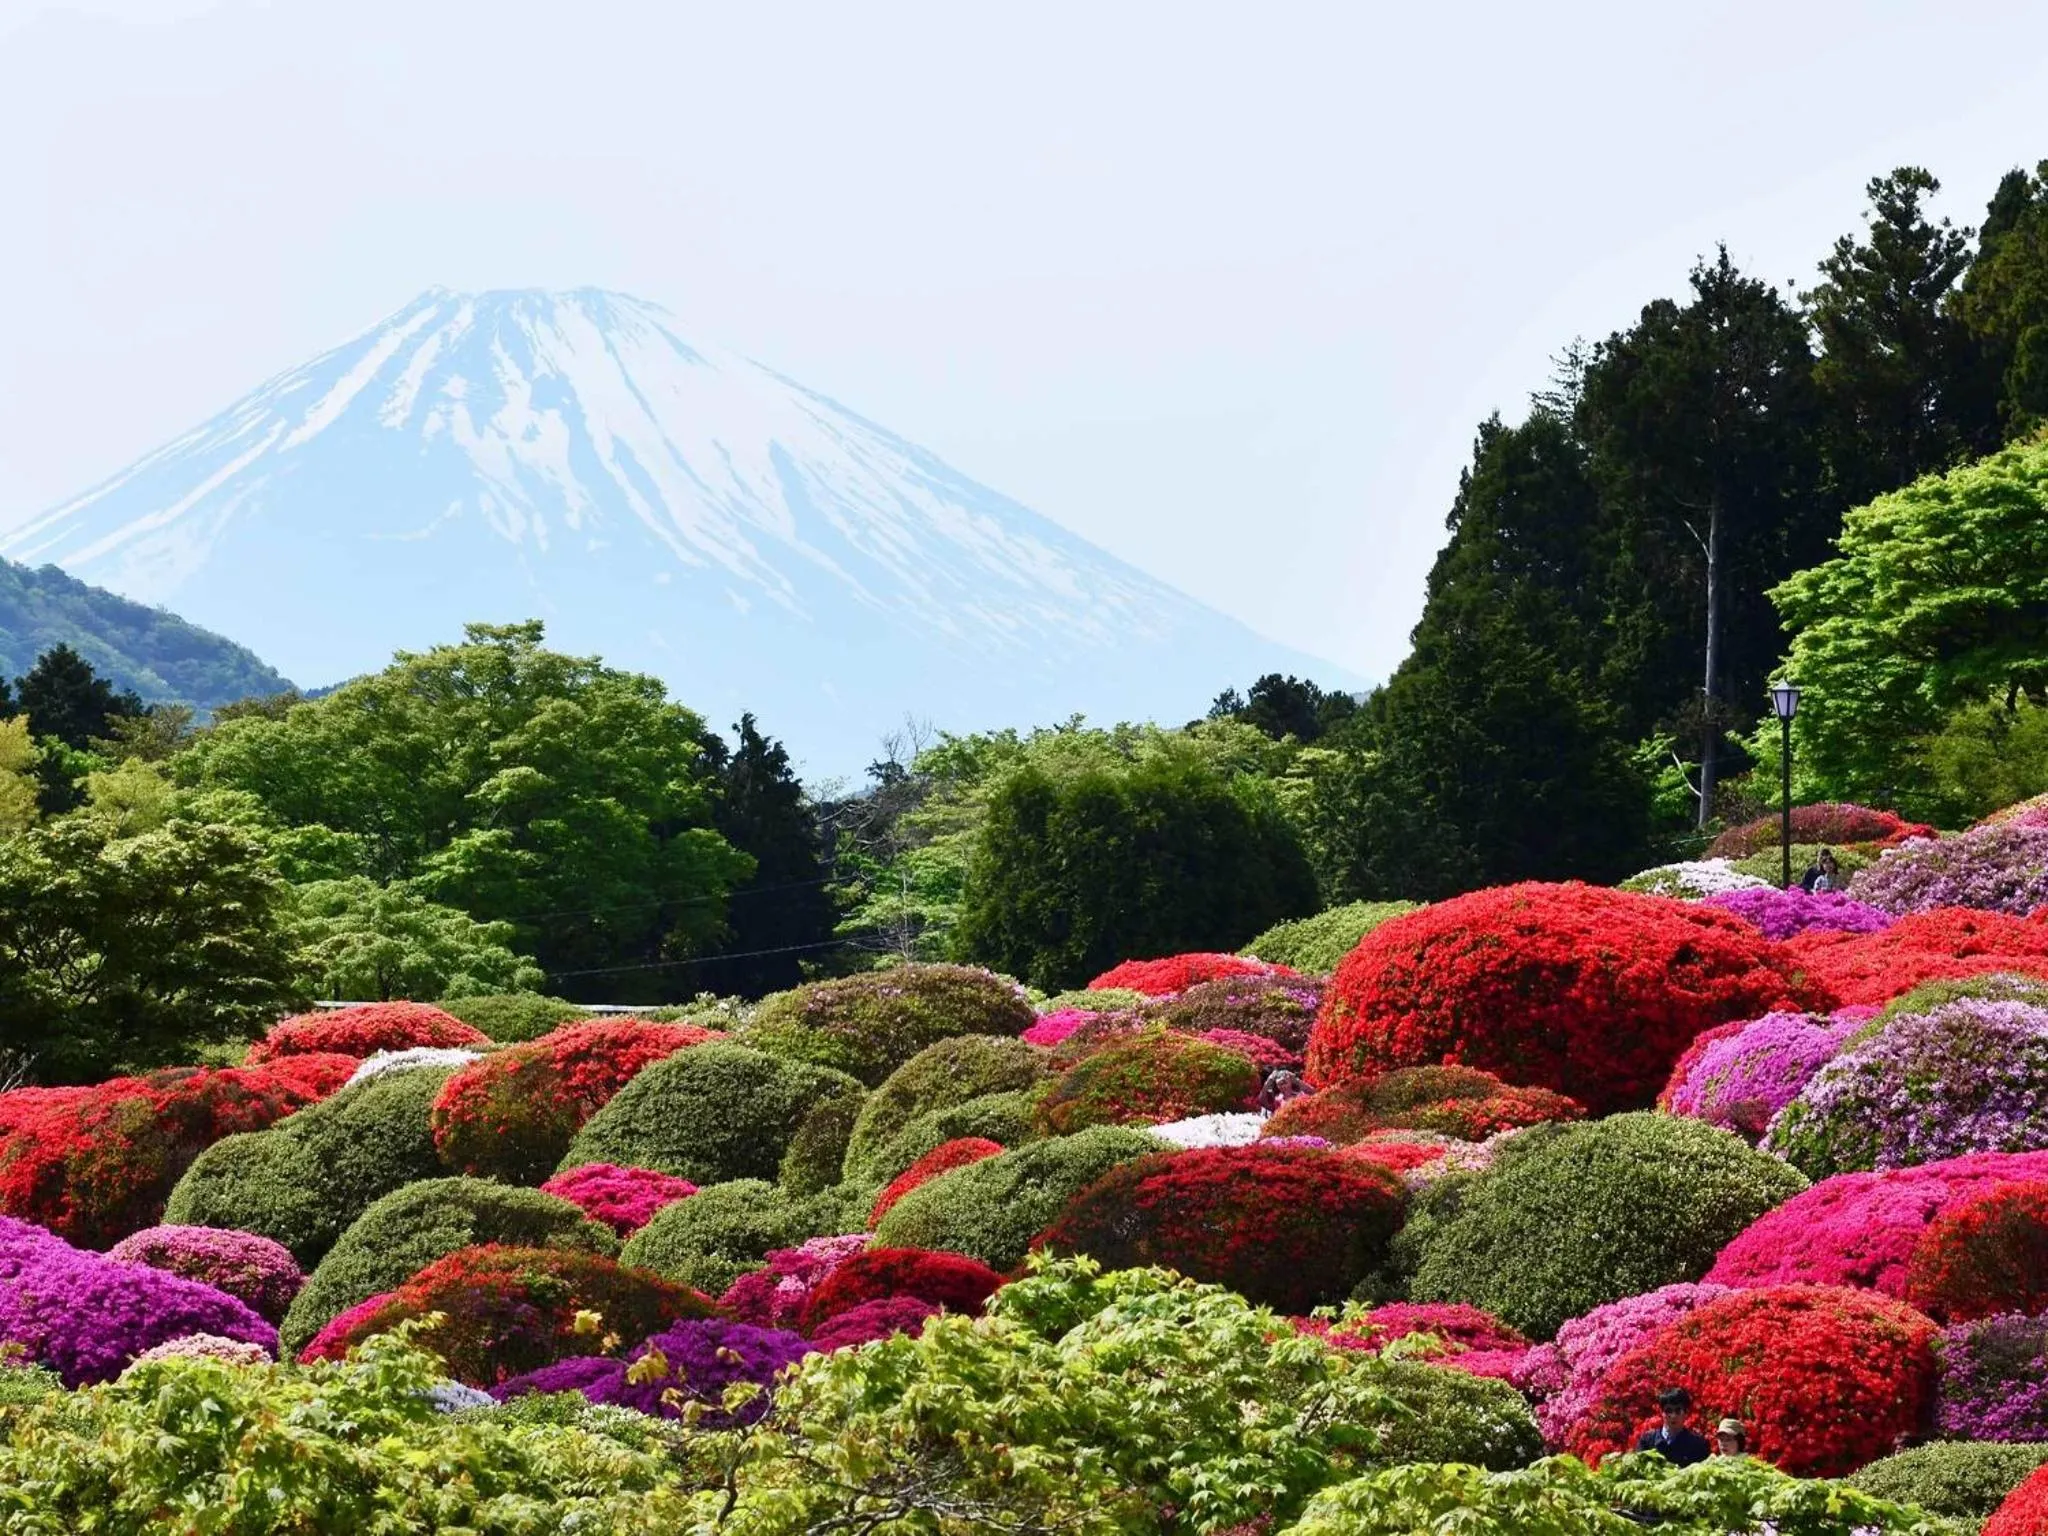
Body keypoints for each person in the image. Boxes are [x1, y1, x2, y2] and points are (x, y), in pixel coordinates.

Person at [1634, 1387, 1711, 1466]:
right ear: (1662, 1413)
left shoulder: (1698, 1445)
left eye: (1678, 1411)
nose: (1673, 1416)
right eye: (1668, 1411)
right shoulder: (1647, 1442)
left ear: (1686, 1413)